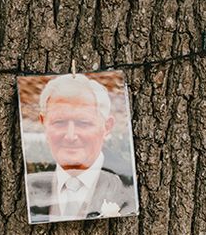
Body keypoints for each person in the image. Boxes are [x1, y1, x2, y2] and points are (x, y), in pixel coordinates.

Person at [25, 74, 137, 223]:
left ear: (107, 127)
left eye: (83, 123)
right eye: (59, 122)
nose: (70, 136)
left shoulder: (129, 187)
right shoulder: (30, 185)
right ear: (43, 123)